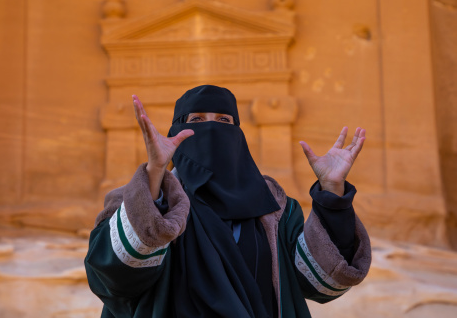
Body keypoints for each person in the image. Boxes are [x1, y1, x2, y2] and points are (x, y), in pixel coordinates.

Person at [85, 85, 371, 318]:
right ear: (176, 133)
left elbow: (322, 281)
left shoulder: (276, 209)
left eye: (224, 121)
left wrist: (332, 190)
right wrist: (155, 173)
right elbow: (111, 279)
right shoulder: (142, 199)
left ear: (238, 134)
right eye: (196, 119)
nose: (212, 128)